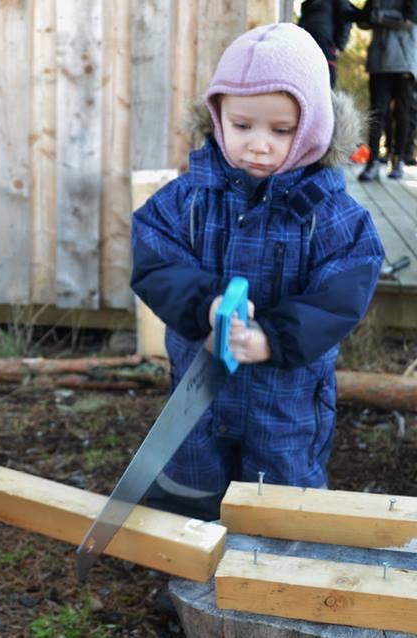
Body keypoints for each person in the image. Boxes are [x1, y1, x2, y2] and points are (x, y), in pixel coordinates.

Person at [130, 23, 384, 522]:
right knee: (190, 480)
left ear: (311, 128)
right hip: (200, 390)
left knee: (279, 495)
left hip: (285, 397)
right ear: (218, 116)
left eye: (281, 130)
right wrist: (202, 304)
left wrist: (276, 336)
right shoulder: (189, 199)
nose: (258, 146)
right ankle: (191, 580)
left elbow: (342, 292)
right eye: (242, 125)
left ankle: (269, 579)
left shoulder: (331, 215)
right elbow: (154, 258)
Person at [356, 0, 417, 181]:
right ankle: (372, 161)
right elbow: (364, 21)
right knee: (377, 112)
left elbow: (409, 20)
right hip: (378, 63)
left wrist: (378, 17)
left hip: (403, 62)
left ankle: (398, 160)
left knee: (402, 112)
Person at [298, 0, 363, 87]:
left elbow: (346, 19)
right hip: (313, 41)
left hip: (319, 41)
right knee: (313, 77)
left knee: (322, 78)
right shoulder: (310, 3)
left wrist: (340, 45)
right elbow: (346, 20)